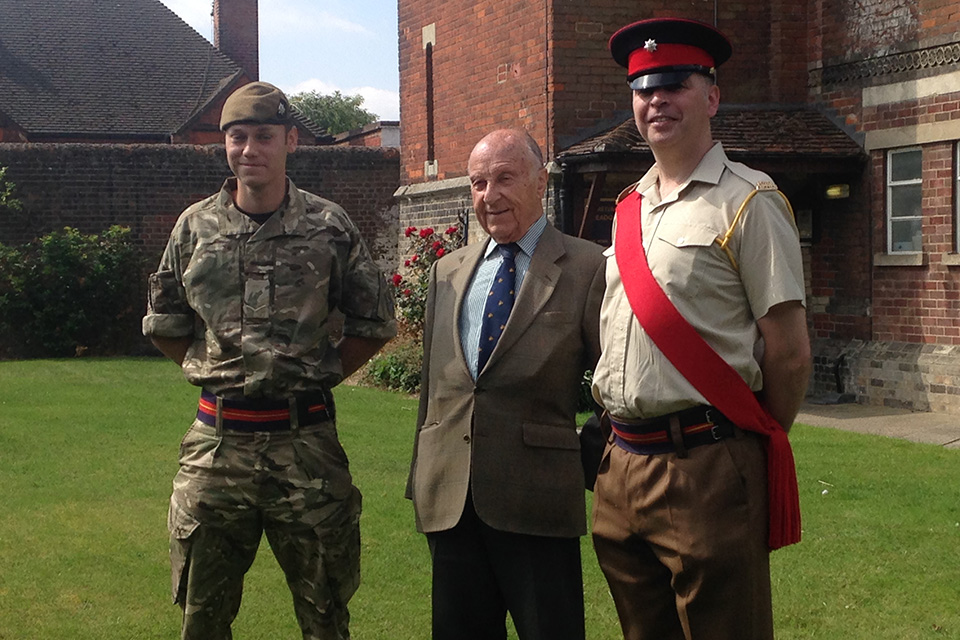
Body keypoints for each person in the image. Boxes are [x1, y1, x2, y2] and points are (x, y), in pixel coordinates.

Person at [142, 81, 396, 640]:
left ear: (290, 140)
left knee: (325, 614)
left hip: (306, 449)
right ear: (224, 145)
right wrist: (205, 366)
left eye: (263, 136)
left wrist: (323, 372)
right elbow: (165, 322)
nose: (249, 149)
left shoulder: (329, 226)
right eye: (238, 137)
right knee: (202, 617)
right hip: (217, 449)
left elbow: (374, 322)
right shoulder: (194, 228)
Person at [590, 18, 812, 640]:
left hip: (706, 467)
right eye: (642, 89)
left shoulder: (750, 199)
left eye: (674, 85)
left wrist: (737, 441)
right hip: (621, 467)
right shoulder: (629, 207)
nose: (655, 100)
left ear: (711, 97)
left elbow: (789, 353)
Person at [406, 128, 606, 640]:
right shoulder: (445, 271)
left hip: (538, 501)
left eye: (504, 179)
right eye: (477, 183)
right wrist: (421, 479)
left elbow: (618, 383)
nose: (489, 196)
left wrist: (577, 459)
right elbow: (433, 389)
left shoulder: (587, 268)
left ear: (541, 181)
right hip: (451, 503)